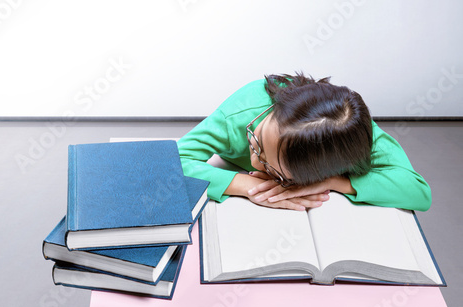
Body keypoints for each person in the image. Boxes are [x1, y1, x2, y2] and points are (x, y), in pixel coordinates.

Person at [177, 72, 432, 212]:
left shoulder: (353, 133)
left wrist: (333, 182)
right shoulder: (243, 112)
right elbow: (170, 161)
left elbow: (418, 191)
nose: (254, 159)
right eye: (258, 139)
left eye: (273, 168)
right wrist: (243, 184)